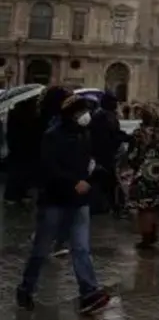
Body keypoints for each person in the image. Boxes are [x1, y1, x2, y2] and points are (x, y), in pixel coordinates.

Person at [15, 95, 111, 314]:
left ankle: (89, 293)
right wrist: (72, 182)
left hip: (79, 201)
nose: (85, 116)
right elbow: (49, 168)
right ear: (71, 114)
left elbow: (88, 163)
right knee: (41, 249)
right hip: (55, 201)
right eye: (81, 112)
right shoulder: (53, 136)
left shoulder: (84, 134)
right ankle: (26, 287)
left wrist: (92, 178)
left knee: (81, 249)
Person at [122, 107, 159, 248]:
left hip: (143, 174)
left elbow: (132, 156)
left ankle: (146, 237)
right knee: (155, 206)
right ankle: (153, 233)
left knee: (143, 208)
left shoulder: (138, 134)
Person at [4, 95, 43, 205]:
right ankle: (21, 194)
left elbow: (10, 131)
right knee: (24, 172)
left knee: (16, 172)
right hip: (28, 148)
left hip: (18, 147)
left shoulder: (14, 113)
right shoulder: (35, 115)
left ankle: (12, 195)